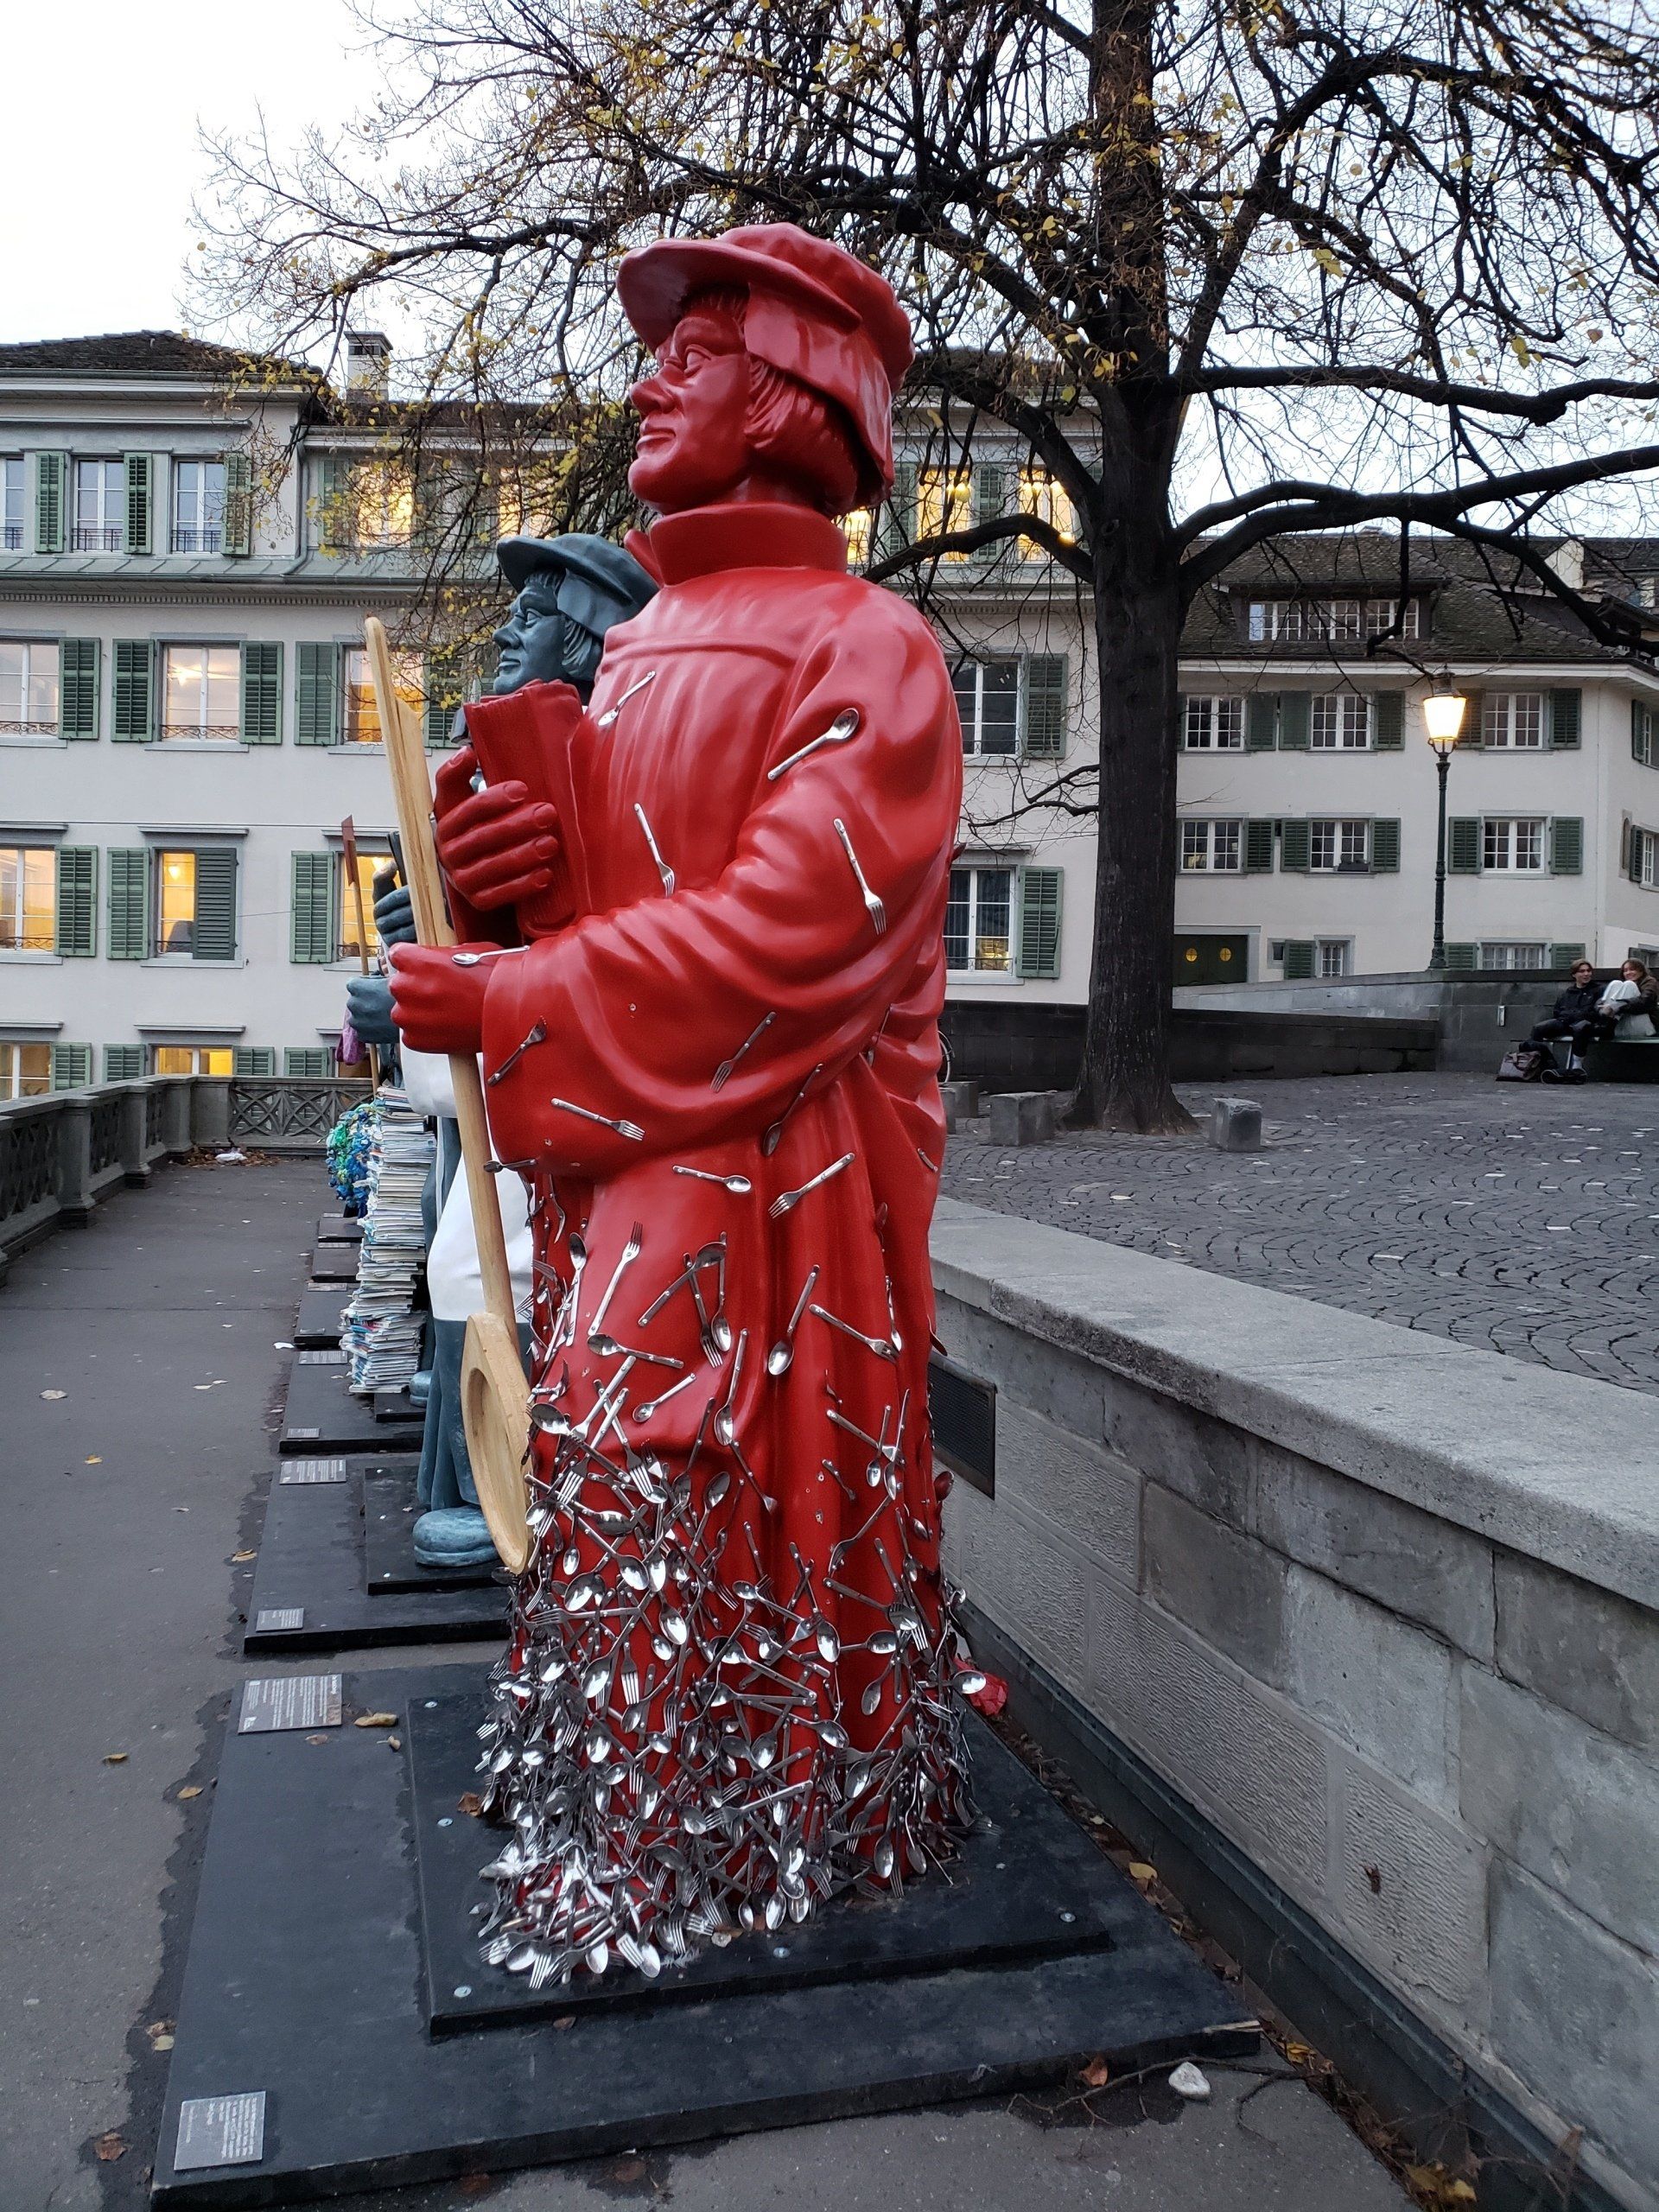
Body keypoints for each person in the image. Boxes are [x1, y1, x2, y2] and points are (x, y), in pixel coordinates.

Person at [390, 222, 974, 1980]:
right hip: (634, 1171)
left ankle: (696, 1839)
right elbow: (622, 889)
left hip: (769, 1187)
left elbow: (796, 938)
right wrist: (502, 876)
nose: (650, 382)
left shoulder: (873, 646)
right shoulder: (639, 646)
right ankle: (646, 1809)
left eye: (694, 355)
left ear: (790, 399)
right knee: (619, 1474)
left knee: (673, 1472)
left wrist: (512, 994)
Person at [349, 537, 656, 1567]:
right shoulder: (522, 755)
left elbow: (589, 947)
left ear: (586, 636)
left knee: (501, 1272)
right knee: (468, 1267)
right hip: (520, 1078)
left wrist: (453, 969)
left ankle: (519, 1500)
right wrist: (437, 927)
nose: (506, 633)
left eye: (531, 617)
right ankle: (489, 1491)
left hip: (567, 1090)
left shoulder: (602, 756)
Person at [1528, 960, 1600, 1079]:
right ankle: (1540, 1063)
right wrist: (1567, 1017)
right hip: (1565, 1023)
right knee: (1538, 1029)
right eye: (1582, 971)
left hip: (1586, 1026)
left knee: (1581, 1027)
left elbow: (1595, 1012)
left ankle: (1577, 1068)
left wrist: (1574, 1016)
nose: (1586, 974)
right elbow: (1557, 1012)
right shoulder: (1567, 993)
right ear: (1574, 974)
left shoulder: (1597, 991)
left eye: (1588, 971)